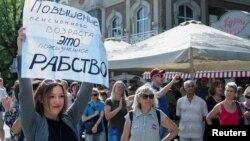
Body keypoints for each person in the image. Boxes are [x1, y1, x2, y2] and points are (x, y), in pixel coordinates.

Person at [17, 27, 93, 141]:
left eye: (61, 96)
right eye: (51, 96)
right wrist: (22, 52)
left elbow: (86, 91)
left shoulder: (69, 118)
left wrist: (94, 53)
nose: (58, 101)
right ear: (41, 99)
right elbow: (25, 91)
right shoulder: (33, 122)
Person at [149, 68, 179, 139]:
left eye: (162, 75)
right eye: (159, 75)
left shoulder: (160, 88)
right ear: (153, 77)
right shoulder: (149, 88)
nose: (162, 77)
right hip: (156, 122)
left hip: (164, 121)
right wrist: (172, 82)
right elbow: (159, 94)